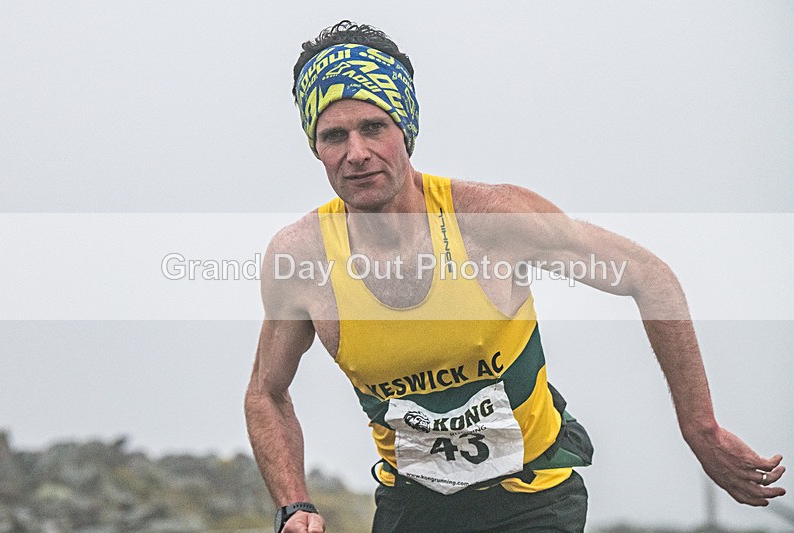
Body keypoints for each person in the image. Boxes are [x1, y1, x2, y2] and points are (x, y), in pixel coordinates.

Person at [244, 20, 786, 533]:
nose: (356, 153)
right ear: (315, 147)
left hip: (535, 500)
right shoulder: (303, 259)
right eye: (334, 135)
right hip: (413, 504)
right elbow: (266, 393)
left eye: (373, 127)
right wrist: (295, 505)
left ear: (405, 129)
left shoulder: (492, 222)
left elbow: (649, 277)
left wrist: (701, 429)